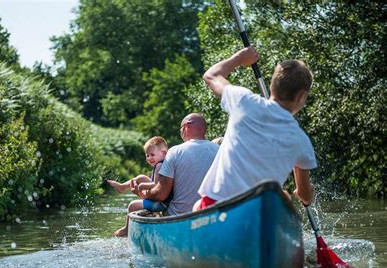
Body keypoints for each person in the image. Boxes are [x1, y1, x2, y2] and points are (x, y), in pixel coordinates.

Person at [194, 46, 317, 211]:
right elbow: (304, 195)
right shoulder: (301, 141)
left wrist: (239, 58)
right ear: (301, 96)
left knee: (197, 207)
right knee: (285, 199)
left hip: (215, 206)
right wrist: (307, 194)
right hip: (257, 215)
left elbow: (211, 75)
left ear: (273, 85)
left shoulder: (243, 101)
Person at [143, 113, 219, 216]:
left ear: (186, 127)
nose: (180, 132)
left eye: (180, 129)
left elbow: (161, 194)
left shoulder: (174, 151)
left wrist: (145, 194)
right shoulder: (220, 151)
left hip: (177, 216)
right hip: (211, 215)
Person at [108, 136, 171, 237]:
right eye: (147, 155)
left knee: (132, 205)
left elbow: (156, 185)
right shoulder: (161, 164)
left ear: (164, 153)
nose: (149, 158)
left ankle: (127, 229)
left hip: (162, 204)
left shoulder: (160, 165)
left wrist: (142, 186)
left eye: (152, 155)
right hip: (161, 196)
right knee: (141, 177)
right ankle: (122, 186)